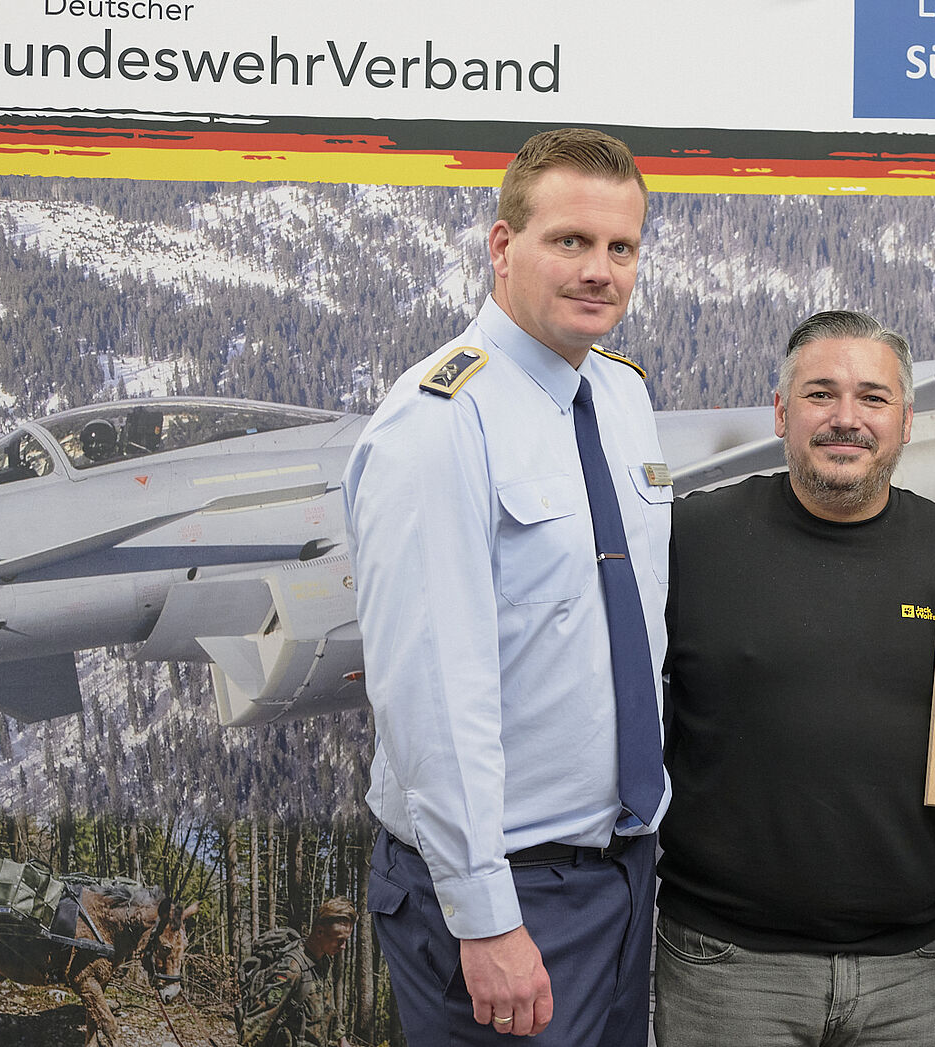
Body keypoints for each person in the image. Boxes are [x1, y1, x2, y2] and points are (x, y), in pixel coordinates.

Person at [344, 127, 668, 1045]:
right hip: (505, 892)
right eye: (570, 241)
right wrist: (485, 915)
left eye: (621, 247)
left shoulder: (621, 395)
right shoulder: (438, 423)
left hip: (620, 872)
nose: (599, 270)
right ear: (502, 245)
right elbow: (430, 694)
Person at [656, 309, 935, 1047]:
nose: (845, 419)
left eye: (873, 398)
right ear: (783, 413)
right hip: (729, 968)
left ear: (908, 420)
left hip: (911, 972)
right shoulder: (687, 539)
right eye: (821, 394)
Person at [236, 898, 356, 1047]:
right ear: (319, 931)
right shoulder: (291, 968)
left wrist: (341, 1038)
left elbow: (327, 1007)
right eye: (339, 940)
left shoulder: (324, 962)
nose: (343, 946)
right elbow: (260, 1018)